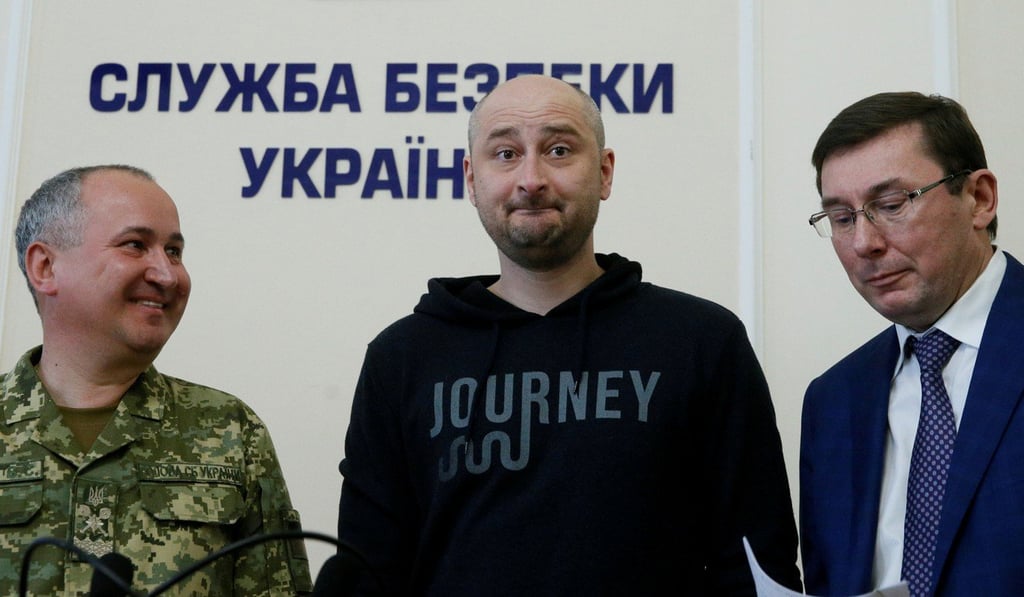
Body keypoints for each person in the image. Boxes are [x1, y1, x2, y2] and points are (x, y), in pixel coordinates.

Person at [336, 74, 801, 596]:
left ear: (604, 172)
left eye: (558, 150)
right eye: (506, 153)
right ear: (471, 179)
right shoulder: (403, 358)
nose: (531, 178)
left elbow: (761, 567)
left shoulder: (702, 342)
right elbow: (367, 574)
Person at [0, 165, 313, 595]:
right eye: (135, 245)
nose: (167, 275)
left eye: (174, 252)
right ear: (46, 265)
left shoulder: (230, 429)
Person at [801, 92, 1024, 596]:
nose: (864, 243)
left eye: (891, 204)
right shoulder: (833, 401)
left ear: (979, 199)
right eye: (841, 217)